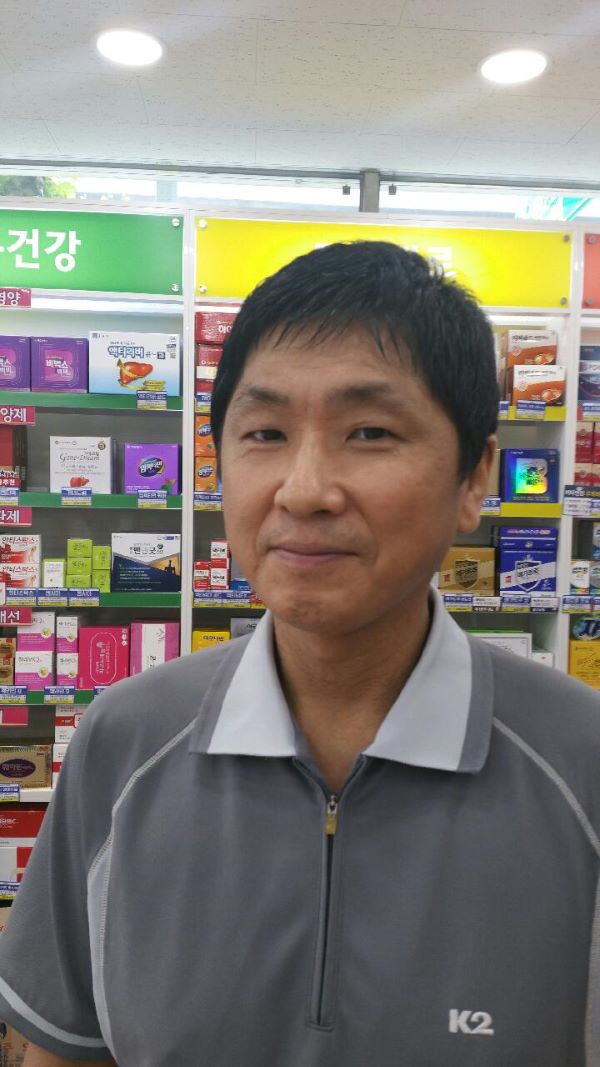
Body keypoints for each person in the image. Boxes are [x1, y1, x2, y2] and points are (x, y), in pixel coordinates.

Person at [0, 241, 598, 1067]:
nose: (305, 489)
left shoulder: (582, 762)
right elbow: (63, 1051)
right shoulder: (124, 742)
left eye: (370, 431)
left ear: (474, 478)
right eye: (266, 432)